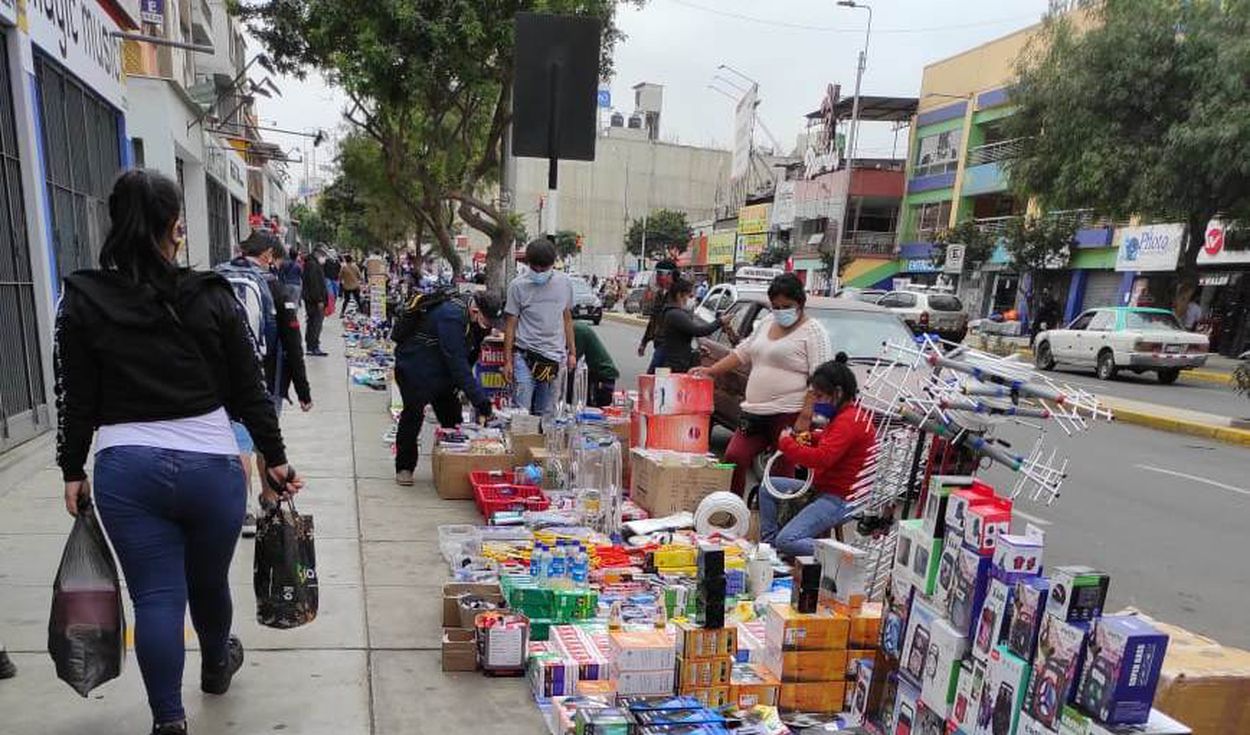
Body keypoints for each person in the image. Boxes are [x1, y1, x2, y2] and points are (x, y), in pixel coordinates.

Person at [55, 170, 304, 735]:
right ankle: (217, 664)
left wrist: (73, 467)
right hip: (211, 466)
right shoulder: (211, 295)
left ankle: (169, 720)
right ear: (175, 227)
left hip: (126, 469)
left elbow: (75, 397)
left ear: (115, 224)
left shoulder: (84, 297)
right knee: (208, 583)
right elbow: (251, 387)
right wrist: (275, 458)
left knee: (157, 597)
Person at [693, 273, 832, 496]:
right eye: (776, 306)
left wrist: (805, 415)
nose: (781, 311)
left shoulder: (813, 331)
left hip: (788, 412)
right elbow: (742, 352)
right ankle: (733, 508)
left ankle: (774, 521)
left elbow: (820, 377)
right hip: (755, 411)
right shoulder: (768, 322)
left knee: (780, 470)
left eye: (787, 306)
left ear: (800, 303)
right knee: (734, 456)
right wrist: (711, 370)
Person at [216, 231, 313, 537]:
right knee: (260, 442)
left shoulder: (215, 279)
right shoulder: (275, 287)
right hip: (263, 380)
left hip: (218, 382)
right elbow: (292, 343)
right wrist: (303, 390)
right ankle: (266, 502)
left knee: (238, 444)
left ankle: (241, 509)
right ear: (269, 255)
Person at [759, 355, 876, 558]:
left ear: (837, 393)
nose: (817, 403)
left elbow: (822, 458)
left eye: (820, 397)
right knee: (768, 487)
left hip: (839, 499)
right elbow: (829, 442)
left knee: (788, 540)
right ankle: (769, 549)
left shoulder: (849, 421)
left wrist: (786, 443)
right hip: (824, 490)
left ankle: (848, 556)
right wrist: (810, 437)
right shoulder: (843, 417)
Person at [392, 291, 503, 486]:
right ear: (475, 310)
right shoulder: (451, 315)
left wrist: (466, 389)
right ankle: (404, 467)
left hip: (442, 371)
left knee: (453, 419)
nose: (490, 327)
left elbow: (470, 356)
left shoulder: (477, 321)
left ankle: (452, 467)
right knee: (413, 414)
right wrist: (481, 402)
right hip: (414, 368)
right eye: (488, 321)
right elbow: (457, 362)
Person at [503, 239, 577, 416]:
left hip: (553, 358)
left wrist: (572, 352)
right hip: (524, 356)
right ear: (529, 264)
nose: (539, 273)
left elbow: (567, 319)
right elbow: (511, 325)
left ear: (552, 265)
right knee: (522, 412)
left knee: (546, 414)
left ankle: (540, 443)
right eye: (535, 269)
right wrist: (507, 361)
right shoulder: (517, 286)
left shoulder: (564, 284)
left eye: (543, 270)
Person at [654, 276, 728, 373]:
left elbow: (681, 340)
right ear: (679, 295)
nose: (691, 299)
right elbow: (698, 331)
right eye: (689, 296)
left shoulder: (674, 313)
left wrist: (696, 352)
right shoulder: (675, 314)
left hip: (679, 363)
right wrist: (720, 321)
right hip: (676, 367)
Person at [638, 259, 679, 372]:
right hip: (660, 342)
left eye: (660, 274)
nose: (657, 277)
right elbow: (653, 320)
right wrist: (644, 342)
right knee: (660, 377)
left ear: (670, 275)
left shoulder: (677, 295)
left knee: (652, 375)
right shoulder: (660, 294)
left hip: (670, 344)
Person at [573, 321, 620, 407]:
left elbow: (573, 359)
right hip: (595, 373)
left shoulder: (578, 331)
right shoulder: (578, 328)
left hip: (602, 374)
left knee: (595, 406)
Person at [302, 249, 329, 356]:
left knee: (313, 323)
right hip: (315, 301)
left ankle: (311, 346)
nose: (324, 258)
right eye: (323, 255)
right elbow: (314, 284)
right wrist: (319, 299)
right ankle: (313, 346)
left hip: (312, 300)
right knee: (315, 324)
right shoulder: (313, 265)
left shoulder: (311, 264)